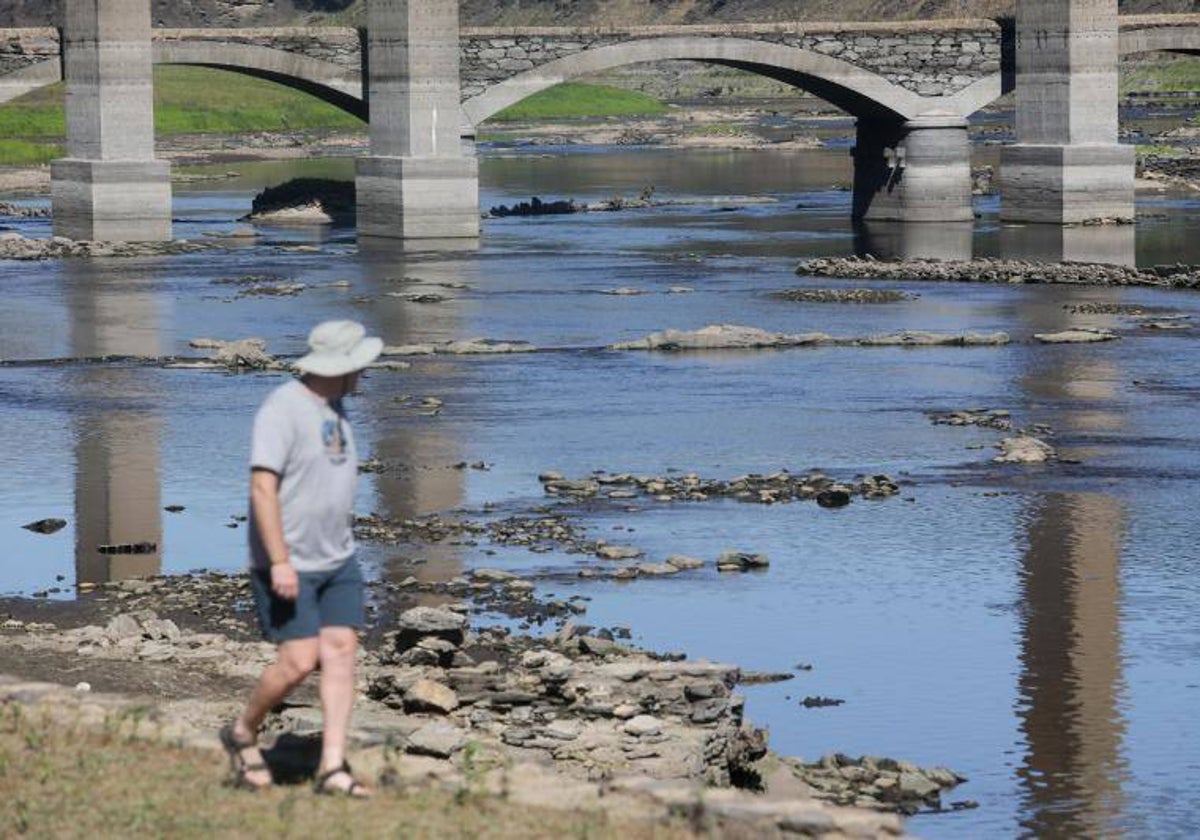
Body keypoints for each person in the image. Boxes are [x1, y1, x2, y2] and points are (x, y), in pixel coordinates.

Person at [219, 319, 382, 797]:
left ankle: (332, 768)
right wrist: (281, 561)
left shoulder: (337, 406)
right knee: (297, 662)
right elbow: (262, 487)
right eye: (360, 364)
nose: (365, 372)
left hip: (338, 558)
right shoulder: (282, 410)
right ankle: (244, 731)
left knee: (341, 652)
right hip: (289, 562)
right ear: (343, 365)